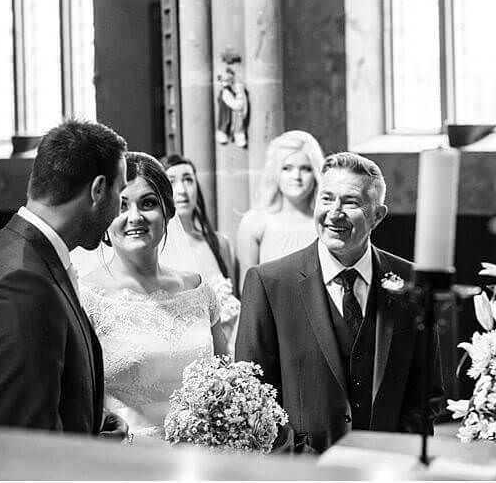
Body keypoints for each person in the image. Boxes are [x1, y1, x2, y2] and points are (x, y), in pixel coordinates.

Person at [235, 152, 444, 453]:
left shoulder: (412, 282)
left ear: (378, 215)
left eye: (351, 202)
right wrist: (298, 459)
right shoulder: (269, 283)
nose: (334, 213)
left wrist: (398, 452)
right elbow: (253, 397)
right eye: (326, 199)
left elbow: (427, 392)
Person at [0, 119, 129, 437]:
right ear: (97, 190)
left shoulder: (16, 253)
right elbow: (28, 445)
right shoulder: (23, 285)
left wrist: (91, 423)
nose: (119, 209)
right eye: (120, 191)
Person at [79, 152, 228, 440]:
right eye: (121, 206)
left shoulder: (198, 291)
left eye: (148, 203)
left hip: (203, 456)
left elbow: (227, 381)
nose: (135, 217)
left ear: (168, 212)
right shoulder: (87, 298)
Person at [160, 155, 241, 346]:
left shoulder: (220, 243)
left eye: (188, 179)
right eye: (172, 182)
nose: (182, 190)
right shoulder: (158, 251)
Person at [236, 130, 324, 290]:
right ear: (275, 171)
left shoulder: (325, 223)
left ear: (316, 173)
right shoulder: (254, 223)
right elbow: (247, 291)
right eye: (287, 168)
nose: (296, 176)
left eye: (305, 168)